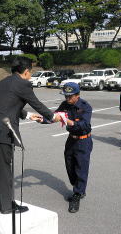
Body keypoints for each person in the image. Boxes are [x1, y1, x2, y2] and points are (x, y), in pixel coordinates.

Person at [0, 56, 61, 214]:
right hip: (2, 131)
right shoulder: (23, 84)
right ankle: (7, 207)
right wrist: (53, 117)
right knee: (4, 170)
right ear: (27, 71)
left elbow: (7, 104)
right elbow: (37, 104)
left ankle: (0, 205)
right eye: (31, 72)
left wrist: (28, 116)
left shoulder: (3, 82)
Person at [38, 82, 93, 213]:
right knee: (69, 165)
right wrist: (42, 120)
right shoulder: (65, 105)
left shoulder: (85, 107)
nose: (67, 99)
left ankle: (78, 194)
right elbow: (55, 117)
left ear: (77, 95)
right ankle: (78, 187)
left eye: (70, 96)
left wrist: (67, 120)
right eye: (65, 96)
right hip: (71, 140)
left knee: (81, 167)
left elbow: (84, 125)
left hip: (83, 141)